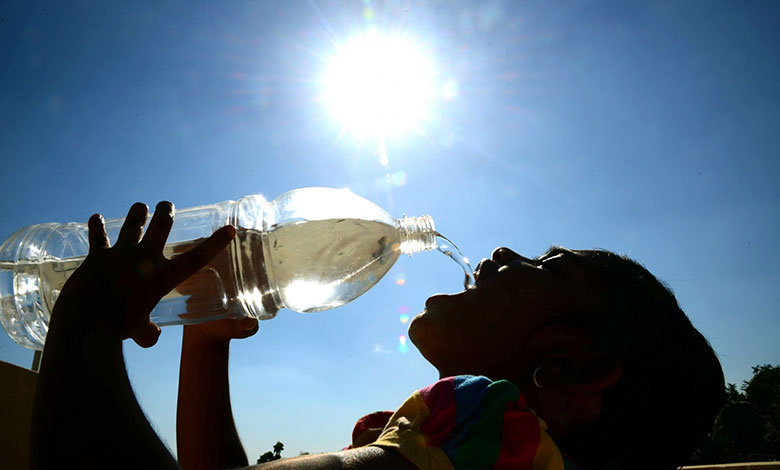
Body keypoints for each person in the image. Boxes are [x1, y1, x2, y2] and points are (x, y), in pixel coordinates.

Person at [29, 202, 724, 470]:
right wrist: (207, 340)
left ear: (577, 371)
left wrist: (87, 314)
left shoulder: (491, 433)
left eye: (549, 267)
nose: (501, 255)